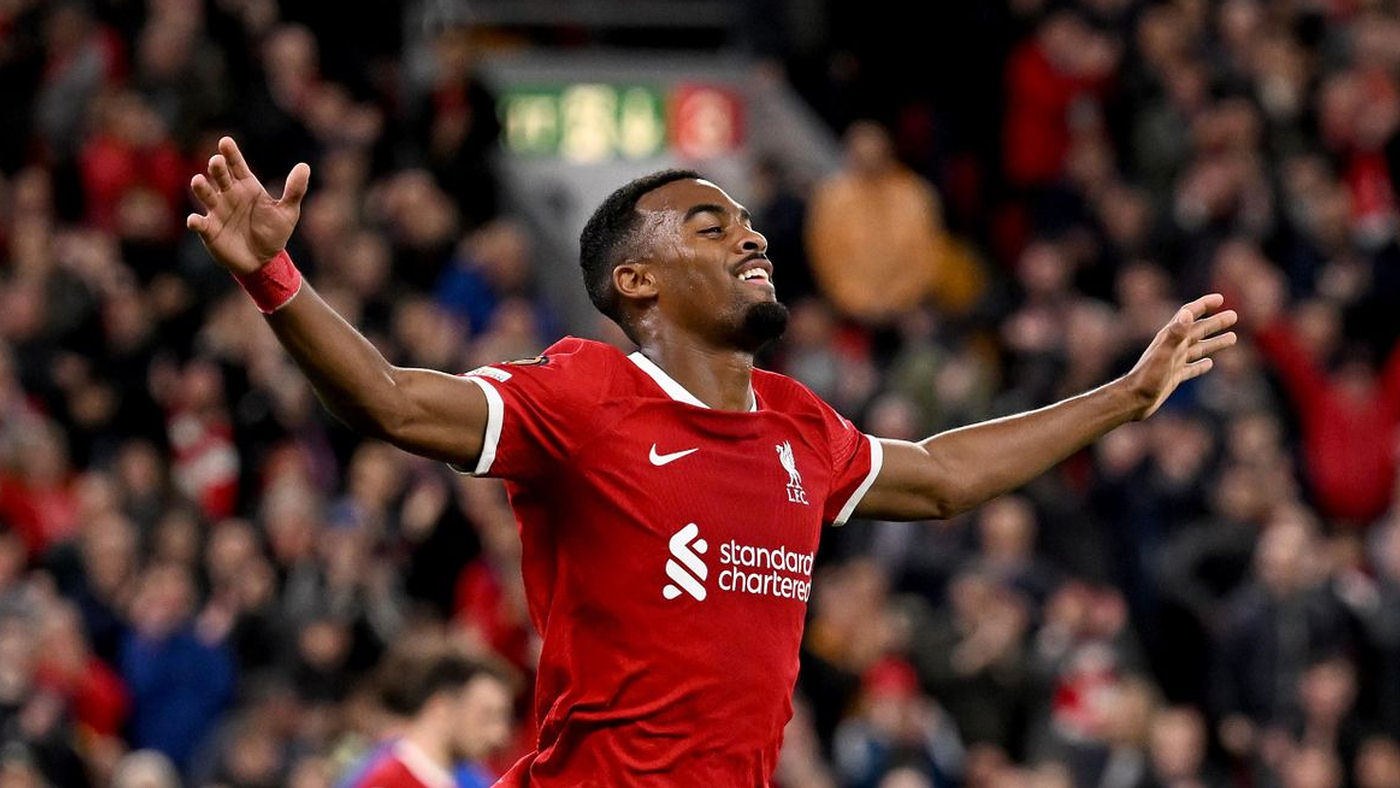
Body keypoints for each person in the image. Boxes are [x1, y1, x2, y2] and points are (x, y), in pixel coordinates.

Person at [185, 136, 1237, 788]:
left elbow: (943, 475)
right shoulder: (585, 397)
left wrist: (1125, 396)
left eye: (748, 224)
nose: (752, 239)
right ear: (637, 281)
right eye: (711, 225)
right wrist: (274, 276)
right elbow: (389, 398)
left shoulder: (799, 426)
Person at [339, 647, 512, 788]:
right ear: (441, 708)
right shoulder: (386, 780)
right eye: (486, 717)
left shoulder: (473, 781)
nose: (500, 735)